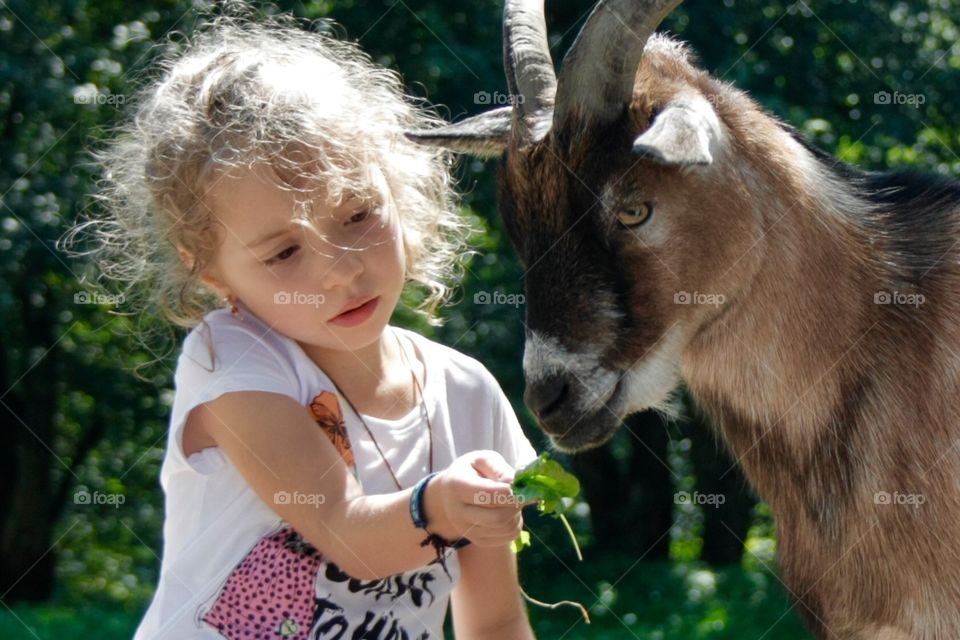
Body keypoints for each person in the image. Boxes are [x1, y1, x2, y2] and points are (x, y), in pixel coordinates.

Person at [69, 10, 539, 639]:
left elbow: (496, 623)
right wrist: (439, 506)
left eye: (358, 215)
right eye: (284, 253)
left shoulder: (466, 392)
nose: (338, 273)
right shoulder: (231, 361)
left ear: (398, 187)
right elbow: (350, 533)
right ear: (211, 272)